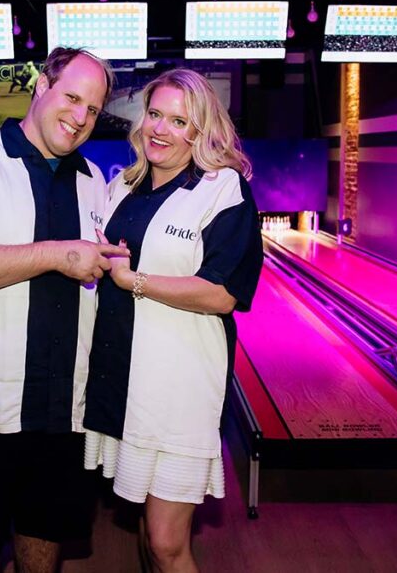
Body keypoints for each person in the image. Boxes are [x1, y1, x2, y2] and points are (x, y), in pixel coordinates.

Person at [0, 47, 125, 573]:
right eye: (72, 98)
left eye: (94, 110)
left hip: (61, 411)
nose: (80, 118)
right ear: (41, 86)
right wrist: (57, 254)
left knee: (44, 539)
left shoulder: (93, 180)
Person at [83, 68, 261, 573]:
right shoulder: (123, 185)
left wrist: (133, 280)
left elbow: (223, 293)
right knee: (145, 526)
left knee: (166, 543)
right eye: (155, 115)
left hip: (179, 387)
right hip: (123, 380)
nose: (160, 129)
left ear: (200, 130)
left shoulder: (221, 189)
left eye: (178, 121)